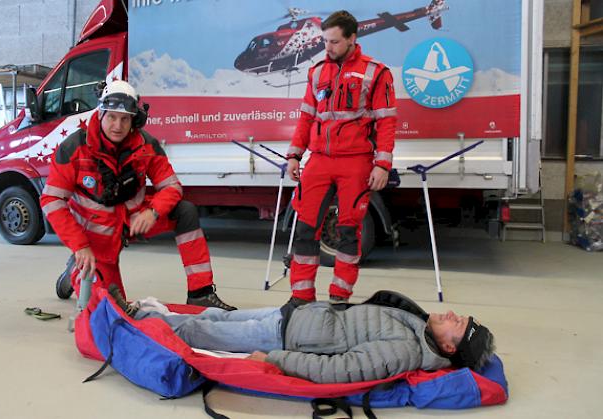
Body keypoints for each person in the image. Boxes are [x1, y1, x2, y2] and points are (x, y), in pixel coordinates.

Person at [41, 80, 236, 311]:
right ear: (101, 113)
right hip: (95, 238)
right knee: (114, 308)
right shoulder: (73, 147)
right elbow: (52, 200)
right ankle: (76, 267)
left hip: (133, 222)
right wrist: (79, 245)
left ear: (134, 120)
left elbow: (172, 187)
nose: (118, 125)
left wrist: (154, 212)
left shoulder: (147, 145)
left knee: (186, 211)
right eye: (112, 117)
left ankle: (200, 293)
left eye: (125, 119)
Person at [110, 286, 495, 384]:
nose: (450, 314)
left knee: (202, 331)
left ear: (448, 347)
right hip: (297, 317)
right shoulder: (419, 327)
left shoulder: (405, 351)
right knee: (215, 315)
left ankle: (135, 319)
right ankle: (154, 313)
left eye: (457, 324)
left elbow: (339, 371)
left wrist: (275, 360)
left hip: (286, 339)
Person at [285, 11, 397, 305]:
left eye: (334, 42)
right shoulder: (317, 71)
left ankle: (339, 299)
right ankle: (301, 298)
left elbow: (386, 121)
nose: (328, 47)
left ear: (352, 39)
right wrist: (295, 155)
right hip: (319, 160)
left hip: (356, 162)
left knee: (348, 231)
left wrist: (382, 164)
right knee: (305, 227)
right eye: (325, 41)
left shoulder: (376, 72)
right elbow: (306, 117)